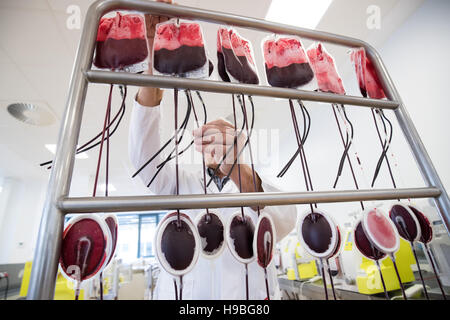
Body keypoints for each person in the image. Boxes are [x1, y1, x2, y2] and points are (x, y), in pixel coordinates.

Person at [128, 0, 297, 300]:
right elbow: (144, 163)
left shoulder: (261, 185)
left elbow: (284, 219)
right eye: (210, 140)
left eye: (225, 138)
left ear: (239, 144)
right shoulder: (183, 185)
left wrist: (237, 168)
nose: (215, 148)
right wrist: (153, 55)